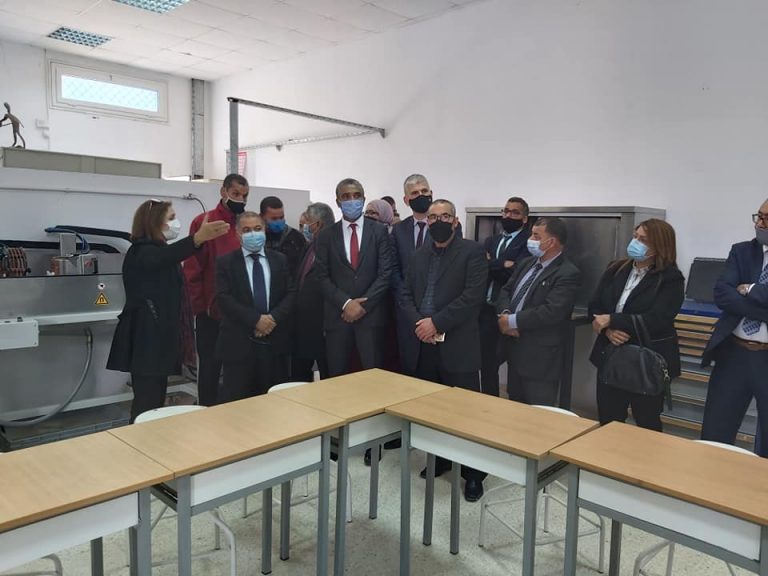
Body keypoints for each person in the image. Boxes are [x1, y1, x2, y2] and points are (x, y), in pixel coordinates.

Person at [107, 199, 230, 422]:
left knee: (155, 398)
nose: (176, 223)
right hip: (146, 338)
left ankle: (150, 436)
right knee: (147, 401)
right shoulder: (141, 252)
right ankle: (139, 438)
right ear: (154, 222)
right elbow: (163, 257)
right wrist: (197, 239)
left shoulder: (159, 251)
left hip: (158, 337)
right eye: (171, 218)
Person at [399, 199, 488, 501]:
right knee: (434, 411)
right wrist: (420, 323)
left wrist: (436, 323)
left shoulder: (473, 252)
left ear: (455, 221)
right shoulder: (418, 255)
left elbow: (472, 297)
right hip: (425, 344)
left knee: (466, 412)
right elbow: (405, 294)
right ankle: (440, 459)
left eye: (445, 216)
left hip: (458, 345)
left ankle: (473, 473)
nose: (438, 221)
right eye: (432, 217)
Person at [315, 178, 393, 465]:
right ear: (337, 201)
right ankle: (337, 438)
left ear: (363, 197)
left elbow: (386, 273)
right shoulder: (326, 235)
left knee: (372, 380)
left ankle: (374, 441)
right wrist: (346, 303)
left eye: (357, 195)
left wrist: (364, 305)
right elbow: (321, 276)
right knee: (336, 379)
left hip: (370, 318)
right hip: (338, 317)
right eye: (346, 196)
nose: (352, 200)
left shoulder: (379, 232)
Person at [589, 219, 684, 431]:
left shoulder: (671, 278)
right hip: (611, 356)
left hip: (647, 361)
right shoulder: (615, 269)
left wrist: (613, 320)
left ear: (659, 246)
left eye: (644, 240)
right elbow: (595, 306)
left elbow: (659, 319)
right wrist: (607, 330)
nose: (636, 243)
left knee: (646, 423)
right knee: (608, 421)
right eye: (635, 237)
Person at [701, 200, 768, 456]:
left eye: (766, 219)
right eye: (758, 216)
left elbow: (736, 298)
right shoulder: (741, 251)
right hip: (734, 354)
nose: (759, 224)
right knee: (715, 434)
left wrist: (750, 289)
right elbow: (722, 294)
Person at [496, 217, 580, 406]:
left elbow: (552, 311)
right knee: (514, 406)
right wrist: (505, 313)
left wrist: (512, 321)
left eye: (536, 236)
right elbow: (506, 290)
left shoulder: (567, 272)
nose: (530, 240)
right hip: (514, 349)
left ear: (551, 242)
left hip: (540, 359)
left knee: (538, 410)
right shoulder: (526, 263)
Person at [183, 174, 248, 406]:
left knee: (238, 370)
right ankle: (206, 413)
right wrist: (201, 308)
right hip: (211, 314)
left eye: (245, 195)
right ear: (223, 192)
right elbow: (193, 269)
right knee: (210, 370)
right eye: (236, 194)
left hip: (241, 314)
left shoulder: (245, 225)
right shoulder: (205, 223)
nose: (241, 199)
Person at [215, 212, 295, 400]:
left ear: (264, 230)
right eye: (247, 230)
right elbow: (223, 297)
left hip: (274, 345)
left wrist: (272, 318)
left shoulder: (280, 259)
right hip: (238, 346)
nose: (253, 234)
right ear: (237, 234)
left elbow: (291, 293)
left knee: (273, 402)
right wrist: (256, 320)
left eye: (257, 229)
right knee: (238, 404)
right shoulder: (225, 262)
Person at [480, 197, 531, 397]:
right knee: (487, 362)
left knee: (513, 363)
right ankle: (489, 401)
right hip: (486, 308)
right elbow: (481, 267)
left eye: (515, 213)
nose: (509, 216)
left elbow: (517, 272)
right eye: (506, 211)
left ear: (524, 218)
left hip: (509, 310)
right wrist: (503, 264)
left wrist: (492, 263)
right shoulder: (491, 241)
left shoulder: (528, 242)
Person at [291, 202, 335, 382]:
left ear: (318, 224)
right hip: (304, 326)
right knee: (300, 378)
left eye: (307, 223)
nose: (304, 228)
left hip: (324, 326)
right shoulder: (310, 246)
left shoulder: (334, 247)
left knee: (328, 378)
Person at [261, 196, 307, 276]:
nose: (279, 221)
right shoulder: (257, 238)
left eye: (281, 217)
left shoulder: (296, 237)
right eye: (274, 218)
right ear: (261, 217)